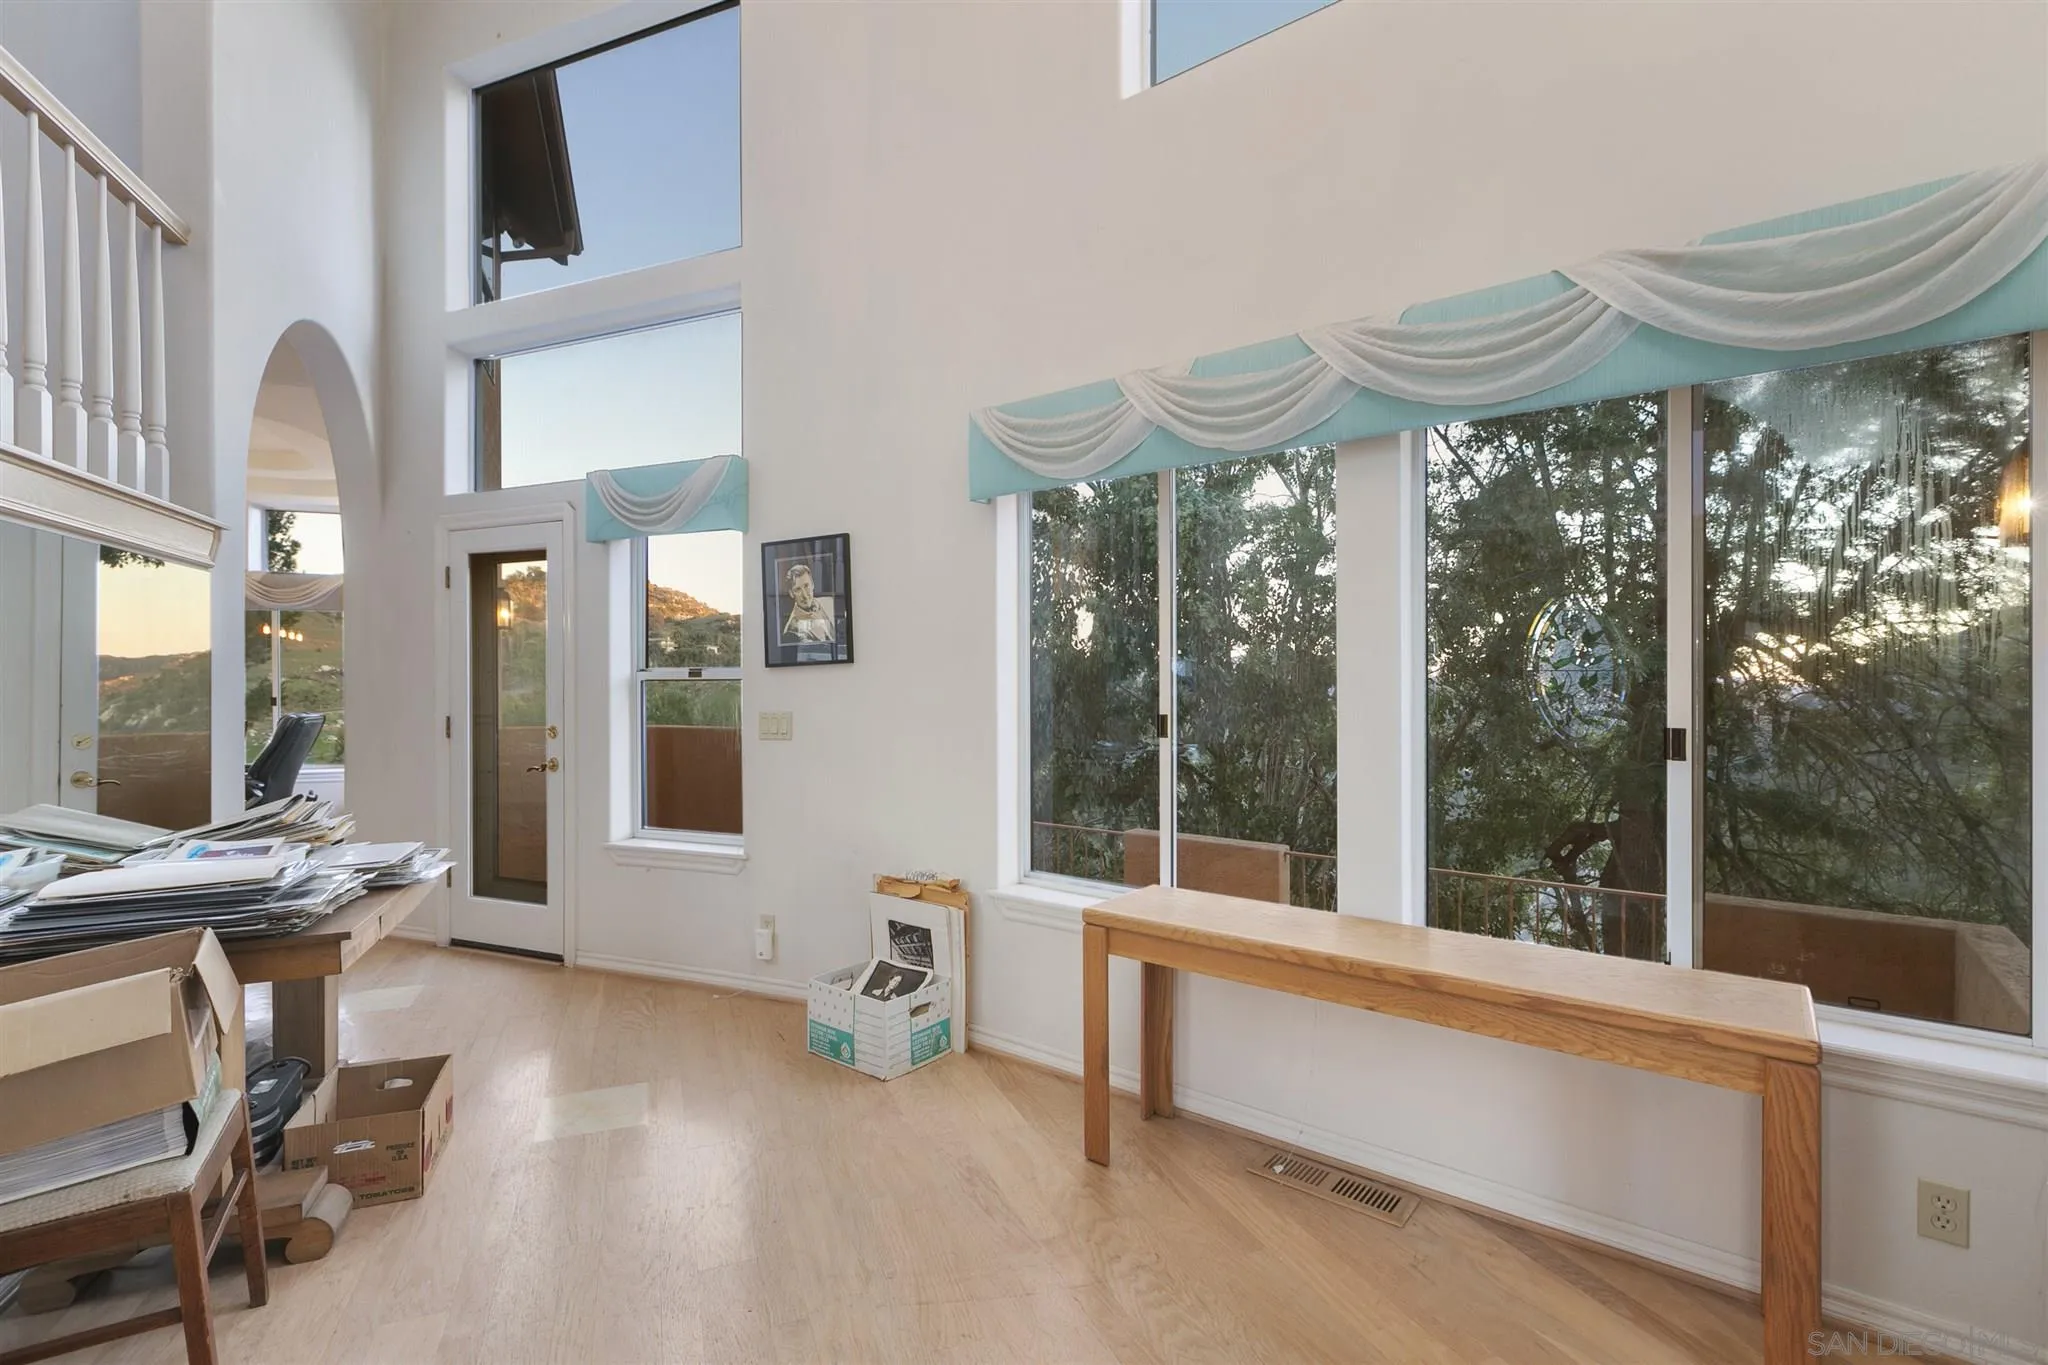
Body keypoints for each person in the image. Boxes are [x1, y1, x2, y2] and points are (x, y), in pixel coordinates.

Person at [783, 561, 835, 643]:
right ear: (791, 593)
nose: (804, 595)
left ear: (813, 584)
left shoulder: (829, 602)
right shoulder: (792, 630)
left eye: (806, 586)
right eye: (798, 589)